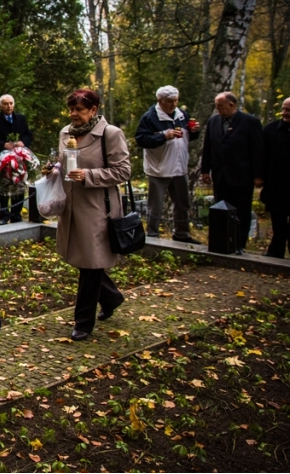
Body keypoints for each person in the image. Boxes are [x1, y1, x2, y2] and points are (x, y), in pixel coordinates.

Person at [54, 89, 129, 341]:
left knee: (91, 265)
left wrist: (90, 176)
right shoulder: (65, 132)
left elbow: (123, 171)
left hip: (98, 209)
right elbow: (63, 162)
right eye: (71, 109)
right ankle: (111, 297)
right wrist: (53, 170)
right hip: (72, 207)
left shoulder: (110, 134)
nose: (74, 114)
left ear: (93, 110)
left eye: (80, 110)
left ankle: (83, 322)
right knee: (83, 259)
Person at [134, 85, 201, 243]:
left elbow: (189, 138)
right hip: (159, 169)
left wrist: (194, 131)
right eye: (169, 101)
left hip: (179, 167)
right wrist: (164, 136)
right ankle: (152, 235)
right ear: (160, 101)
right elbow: (141, 139)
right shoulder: (150, 117)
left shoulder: (182, 115)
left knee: (182, 204)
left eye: (175, 101)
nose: (173, 104)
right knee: (155, 205)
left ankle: (182, 234)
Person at [200, 92, 264, 255]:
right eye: (216, 106)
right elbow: (208, 147)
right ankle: (221, 241)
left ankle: (239, 244)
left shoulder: (250, 122)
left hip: (241, 176)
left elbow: (257, 150)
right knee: (220, 209)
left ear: (232, 105)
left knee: (241, 211)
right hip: (220, 175)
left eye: (220, 106)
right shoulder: (213, 122)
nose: (218, 109)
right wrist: (205, 170)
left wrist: (258, 175)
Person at [0, 94, 34, 224]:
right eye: (5, 104)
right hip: (2, 161)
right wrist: (3, 145)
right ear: (0, 106)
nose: (9, 106)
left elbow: (29, 135)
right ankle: (4, 216)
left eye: (11, 103)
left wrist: (23, 142)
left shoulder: (21, 119)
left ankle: (16, 215)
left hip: (20, 161)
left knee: (19, 187)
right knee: (3, 188)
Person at [261, 97, 290, 258]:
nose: (285, 113)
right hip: (276, 183)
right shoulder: (271, 130)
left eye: (288, 110)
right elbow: (262, 156)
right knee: (278, 220)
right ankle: (276, 251)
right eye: (284, 109)